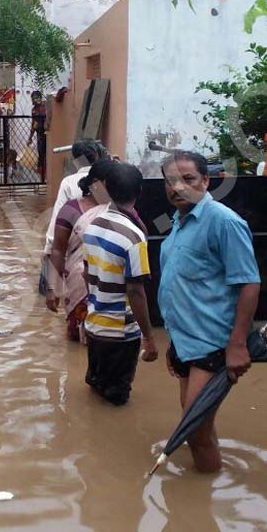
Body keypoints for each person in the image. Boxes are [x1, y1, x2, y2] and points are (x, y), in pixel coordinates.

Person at [158, 150, 261, 473]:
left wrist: (238, 344)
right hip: (185, 343)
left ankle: (202, 505)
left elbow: (249, 283)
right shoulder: (178, 222)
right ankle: (206, 488)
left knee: (195, 430)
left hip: (212, 344)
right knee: (197, 426)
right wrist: (173, 343)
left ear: (206, 181)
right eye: (171, 181)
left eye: (187, 179)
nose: (178, 187)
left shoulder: (224, 222)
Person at [82, 162, 157, 405]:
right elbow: (136, 291)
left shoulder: (92, 225)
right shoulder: (134, 239)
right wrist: (149, 337)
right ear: (140, 192)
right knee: (116, 400)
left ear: (107, 189)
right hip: (120, 334)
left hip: (94, 326)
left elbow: (86, 273)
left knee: (95, 388)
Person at [45, 159, 117, 342]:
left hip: (112, 285)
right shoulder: (71, 209)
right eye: (112, 184)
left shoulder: (120, 209)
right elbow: (58, 250)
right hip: (78, 286)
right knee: (78, 340)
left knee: (109, 339)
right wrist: (52, 287)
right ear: (95, 184)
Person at [41, 140, 107, 293]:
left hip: (75, 249)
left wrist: (49, 249)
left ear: (75, 160)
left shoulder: (68, 183)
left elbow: (57, 219)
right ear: (97, 155)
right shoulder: (108, 178)